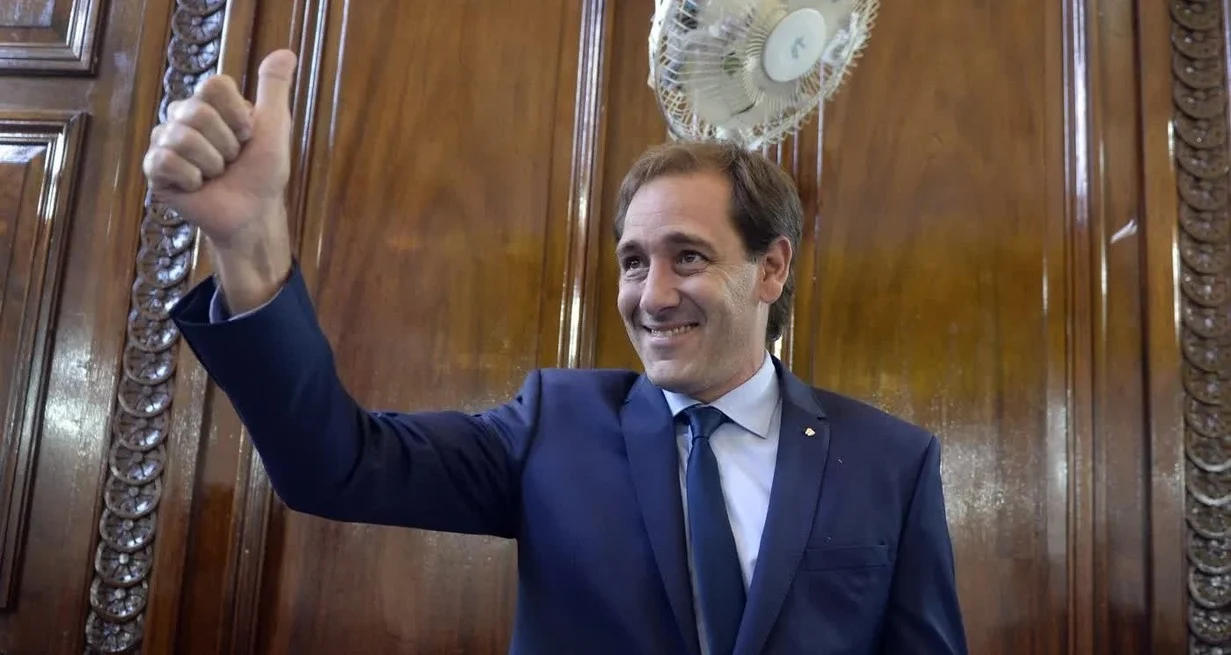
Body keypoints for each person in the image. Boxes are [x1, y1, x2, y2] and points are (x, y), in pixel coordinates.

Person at [146, 49, 968, 655]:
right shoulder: (555, 424)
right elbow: (336, 464)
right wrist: (250, 245)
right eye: (633, 262)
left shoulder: (888, 462)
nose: (652, 296)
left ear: (771, 268)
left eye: (687, 256)